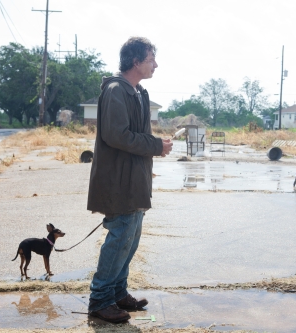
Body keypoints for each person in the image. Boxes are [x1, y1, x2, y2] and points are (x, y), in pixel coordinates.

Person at [86, 37, 173, 323]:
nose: (155, 65)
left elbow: (137, 136)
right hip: (118, 180)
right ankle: (100, 300)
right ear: (135, 61)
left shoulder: (137, 92)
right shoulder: (115, 90)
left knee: (130, 240)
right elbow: (116, 135)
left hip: (135, 179)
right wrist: (154, 145)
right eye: (151, 60)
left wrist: (155, 147)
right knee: (119, 238)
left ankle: (117, 292)